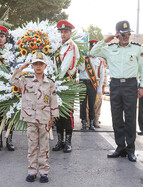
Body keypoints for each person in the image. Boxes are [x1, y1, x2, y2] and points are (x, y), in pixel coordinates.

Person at [90, 20, 143, 162]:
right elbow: (92, 52)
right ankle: (120, 146)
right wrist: (106, 40)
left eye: (128, 33)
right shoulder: (109, 48)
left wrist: (142, 86)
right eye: (123, 34)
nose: (126, 36)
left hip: (130, 85)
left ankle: (131, 149)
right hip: (115, 85)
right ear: (117, 34)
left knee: (130, 117)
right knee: (116, 117)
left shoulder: (137, 49)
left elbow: (142, 69)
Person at [10, 52, 59, 183]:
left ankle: (44, 172)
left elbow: (53, 100)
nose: (38, 66)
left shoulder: (50, 83)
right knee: (32, 146)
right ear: (32, 66)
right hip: (31, 119)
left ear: (45, 66)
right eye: (36, 64)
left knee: (44, 146)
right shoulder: (26, 80)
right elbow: (13, 81)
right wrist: (21, 67)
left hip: (44, 119)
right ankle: (32, 171)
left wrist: (53, 117)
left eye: (41, 64)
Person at [53, 20, 80, 153]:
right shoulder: (58, 47)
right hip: (57, 84)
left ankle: (68, 142)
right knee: (57, 113)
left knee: (67, 114)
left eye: (65, 32)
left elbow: (63, 68)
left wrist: (54, 78)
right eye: (61, 32)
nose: (63, 34)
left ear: (70, 33)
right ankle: (60, 141)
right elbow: (54, 64)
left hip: (67, 83)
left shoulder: (71, 46)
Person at [79, 40, 104, 131]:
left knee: (92, 103)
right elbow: (81, 69)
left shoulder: (100, 60)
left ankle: (91, 123)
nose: (93, 49)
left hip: (93, 83)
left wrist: (99, 88)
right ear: (89, 47)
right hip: (83, 82)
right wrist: (83, 58)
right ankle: (84, 123)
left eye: (94, 47)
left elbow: (101, 75)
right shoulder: (84, 58)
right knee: (82, 103)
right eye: (91, 47)